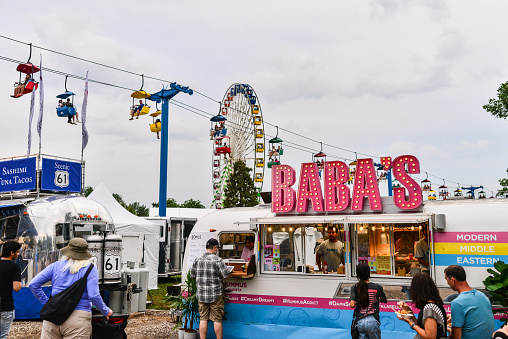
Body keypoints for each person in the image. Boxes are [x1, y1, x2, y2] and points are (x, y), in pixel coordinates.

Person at [29, 238, 112, 339]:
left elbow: (33, 284)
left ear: (68, 251)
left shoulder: (55, 266)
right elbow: (93, 295)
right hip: (78, 318)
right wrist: (105, 310)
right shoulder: (90, 269)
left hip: (53, 315)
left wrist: (47, 303)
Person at [190, 238, 230, 339]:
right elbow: (226, 275)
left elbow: (192, 275)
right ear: (215, 248)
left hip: (201, 294)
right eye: (217, 248)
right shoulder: (218, 260)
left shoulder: (197, 259)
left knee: (203, 319)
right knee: (217, 320)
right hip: (215, 294)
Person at [444, 265, 494, 339]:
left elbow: (456, 337)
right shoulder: (482, 296)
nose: (447, 283)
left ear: (452, 280)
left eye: (447, 280)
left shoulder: (457, 303)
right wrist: (455, 317)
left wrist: (448, 329)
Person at [397, 273, 447, 339]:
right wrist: (409, 311)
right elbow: (423, 326)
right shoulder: (434, 304)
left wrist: (411, 324)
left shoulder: (429, 308)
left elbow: (430, 336)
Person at [350, 263, 387, 339]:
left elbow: (352, 305)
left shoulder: (355, 287)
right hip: (373, 321)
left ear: (358, 275)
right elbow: (384, 300)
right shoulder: (377, 287)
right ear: (369, 273)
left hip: (360, 321)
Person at [0, 241, 22, 339]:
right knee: (3, 336)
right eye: (17, 252)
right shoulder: (14, 267)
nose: (18, 254)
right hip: (6, 306)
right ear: (11, 253)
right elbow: (16, 287)